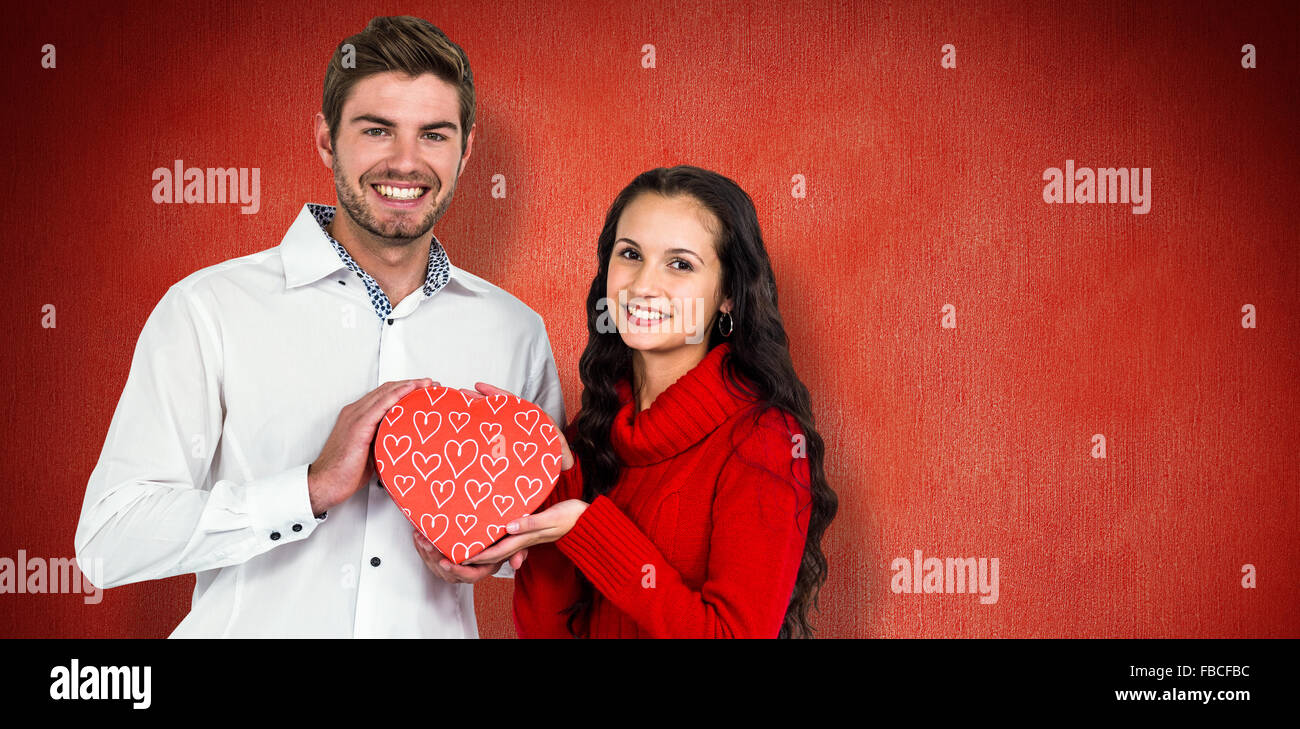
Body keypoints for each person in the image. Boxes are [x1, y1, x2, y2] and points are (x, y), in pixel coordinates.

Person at [73, 16, 564, 637]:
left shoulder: (515, 330)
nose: (406, 162)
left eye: (434, 135)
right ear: (328, 140)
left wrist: (484, 550)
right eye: (377, 130)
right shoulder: (210, 308)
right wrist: (305, 490)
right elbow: (109, 541)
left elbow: (536, 537)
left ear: (466, 150)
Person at [460, 165, 837, 637]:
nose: (642, 286)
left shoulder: (764, 443)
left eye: (680, 264)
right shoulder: (589, 433)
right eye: (631, 254)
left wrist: (588, 529)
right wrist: (551, 480)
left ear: (727, 295)